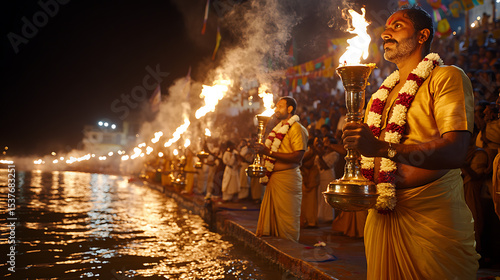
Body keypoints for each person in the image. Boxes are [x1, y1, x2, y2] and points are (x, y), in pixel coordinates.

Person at [342, 5, 479, 279]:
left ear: (422, 35)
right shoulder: (380, 94)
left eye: (397, 26)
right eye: (386, 27)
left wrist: (382, 148)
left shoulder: (446, 77)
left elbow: (456, 152)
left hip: (432, 219)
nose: (385, 33)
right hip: (381, 216)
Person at [255, 96, 308, 242]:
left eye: (280, 106)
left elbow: (297, 157)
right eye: (276, 106)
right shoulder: (276, 129)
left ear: (290, 109)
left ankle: (290, 251)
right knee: (271, 223)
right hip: (274, 180)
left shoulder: (297, 129)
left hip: (288, 180)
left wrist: (268, 152)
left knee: (287, 222)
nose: (276, 109)